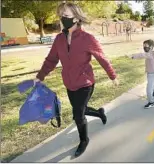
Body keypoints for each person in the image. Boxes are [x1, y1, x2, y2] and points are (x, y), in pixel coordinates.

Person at [33, 2, 119, 157]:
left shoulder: (88, 39)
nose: (61, 19)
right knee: (81, 110)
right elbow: (51, 60)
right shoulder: (59, 39)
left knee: (78, 115)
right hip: (69, 83)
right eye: (61, 16)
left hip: (85, 83)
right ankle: (99, 113)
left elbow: (102, 59)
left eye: (65, 16)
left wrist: (112, 76)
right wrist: (40, 76)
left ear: (76, 18)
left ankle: (84, 140)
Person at [126, 39, 154, 108]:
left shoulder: (149, 54)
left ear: (151, 47)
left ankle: (151, 102)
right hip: (150, 73)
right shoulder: (151, 53)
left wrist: (132, 56)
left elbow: (141, 55)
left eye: (146, 46)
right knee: (151, 84)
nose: (144, 48)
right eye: (143, 46)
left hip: (152, 74)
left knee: (148, 89)